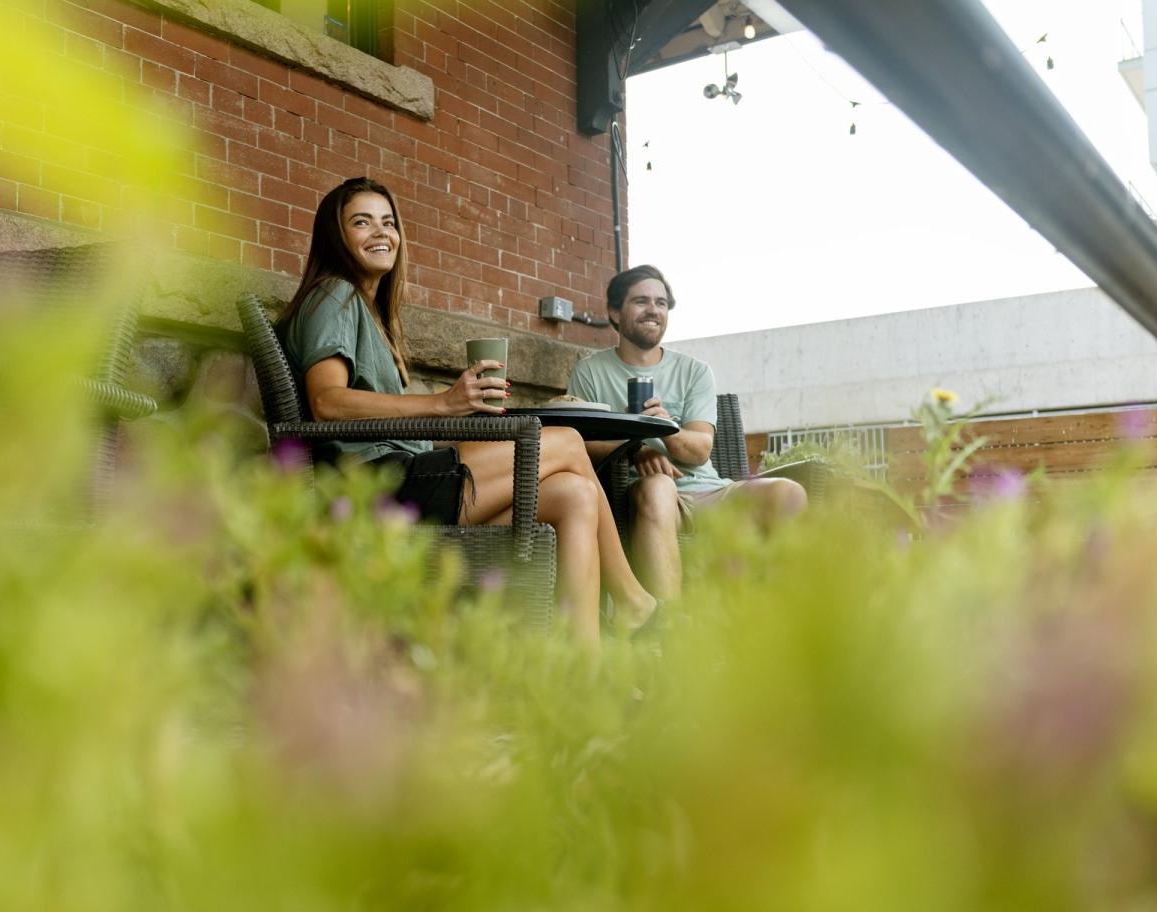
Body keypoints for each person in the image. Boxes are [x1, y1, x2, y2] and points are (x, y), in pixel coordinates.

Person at [277, 177, 657, 646]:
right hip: (376, 489)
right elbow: (326, 403)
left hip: (410, 477)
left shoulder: (370, 313)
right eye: (362, 222)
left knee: (575, 494)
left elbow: (397, 428)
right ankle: (633, 599)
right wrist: (442, 403)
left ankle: (587, 670)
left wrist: (466, 418)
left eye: (388, 222)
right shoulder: (333, 295)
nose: (381, 233)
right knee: (567, 441)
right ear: (338, 236)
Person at [568, 264, 806, 600]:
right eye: (641, 301)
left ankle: (784, 620)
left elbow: (700, 449)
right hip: (646, 495)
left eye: (661, 303)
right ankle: (668, 630)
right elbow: (577, 447)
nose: (653, 309)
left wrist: (665, 430)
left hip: (710, 492)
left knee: (789, 493)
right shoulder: (590, 373)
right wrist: (634, 449)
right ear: (615, 312)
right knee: (660, 488)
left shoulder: (694, 371)